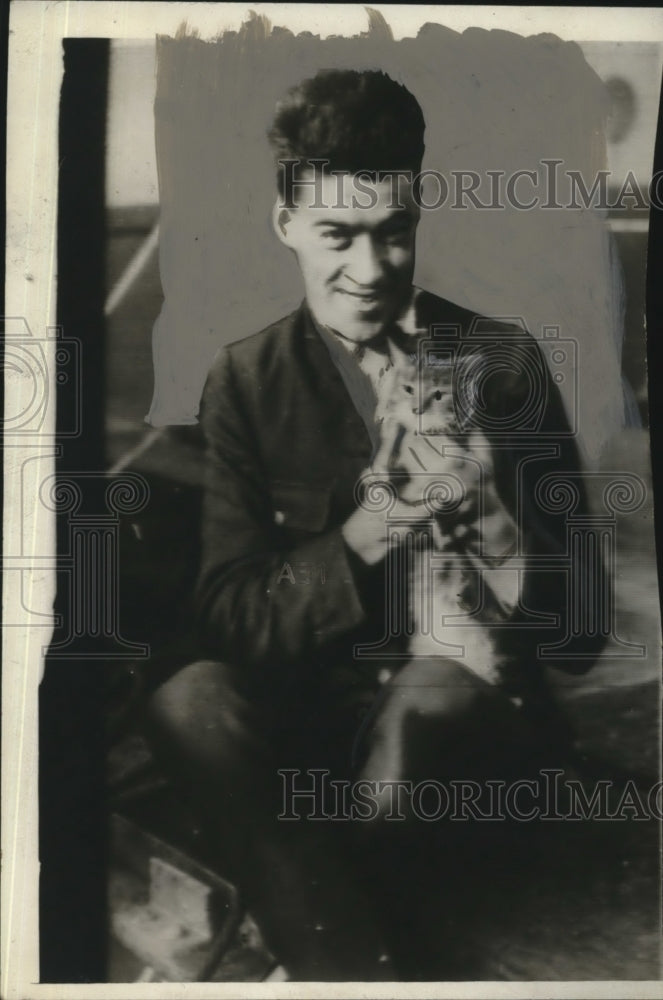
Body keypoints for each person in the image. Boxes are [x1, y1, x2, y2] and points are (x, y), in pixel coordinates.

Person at [147, 69, 604, 981]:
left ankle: (317, 930)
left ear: (418, 215)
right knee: (186, 701)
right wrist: (372, 527)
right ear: (286, 224)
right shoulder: (244, 379)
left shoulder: (504, 362)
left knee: (410, 741)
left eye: (394, 232)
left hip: (464, 708)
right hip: (321, 714)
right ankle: (353, 948)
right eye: (337, 235)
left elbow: (582, 635)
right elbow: (231, 613)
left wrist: (497, 529)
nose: (371, 268)